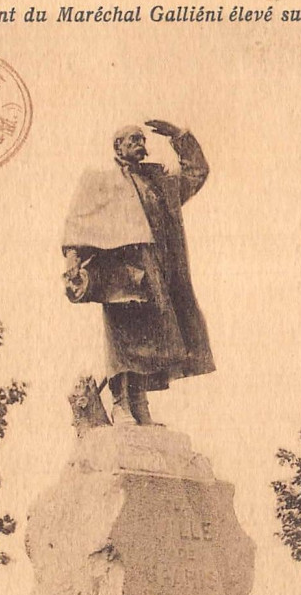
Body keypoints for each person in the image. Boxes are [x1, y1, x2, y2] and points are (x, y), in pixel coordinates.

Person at [62, 119, 215, 425]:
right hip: (121, 273)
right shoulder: (100, 181)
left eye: (142, 139)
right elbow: (79, 224)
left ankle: (139, 404)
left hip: (156, 271)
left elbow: (196, 173)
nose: (139, 143)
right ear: (117, 146)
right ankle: (121, 404)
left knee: (150, 338)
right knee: (123, 336)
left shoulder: (158, 183)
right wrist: (72, 261)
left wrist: (179, 136)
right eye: (132, 138)